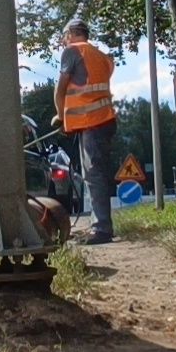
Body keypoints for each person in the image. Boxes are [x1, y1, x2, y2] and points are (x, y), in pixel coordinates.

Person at [54, 18, 117, 244]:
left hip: (92, 122)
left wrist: (61, 118)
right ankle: (99, 224)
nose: (63, 41)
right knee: (96, 173)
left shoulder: (72, 52)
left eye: (63, 35)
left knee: (93, 174)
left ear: (71, 33)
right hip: (104, 119)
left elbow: (60, 90)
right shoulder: (100, 55)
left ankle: (101, 229)